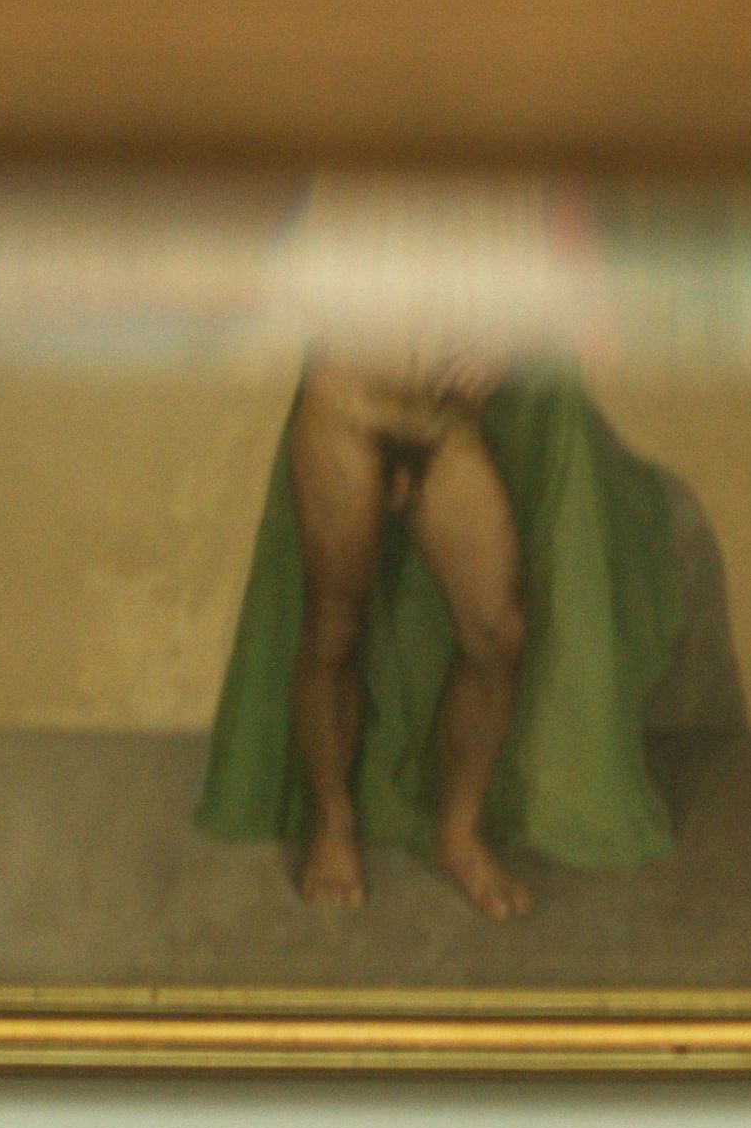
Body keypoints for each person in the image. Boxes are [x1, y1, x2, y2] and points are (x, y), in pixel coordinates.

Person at [193, 349, 691, 915]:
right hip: (350, 405)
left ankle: (458, 834)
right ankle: (332, 824)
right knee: (334, 628)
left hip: (445, 423)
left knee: (496, 634)